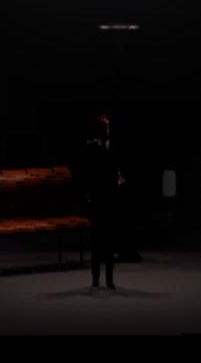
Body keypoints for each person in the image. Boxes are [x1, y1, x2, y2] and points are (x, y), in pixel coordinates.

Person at [84, 113, 124, 289]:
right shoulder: (90, 146)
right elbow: (86, 171)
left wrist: (120, 178)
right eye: (104, 126)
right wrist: (87, 192)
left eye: (108, 126)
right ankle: (95, 278)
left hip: (110, 197)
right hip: (96, 196)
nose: (107, 129)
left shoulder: (114, 145)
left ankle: (109, 278)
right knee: (95, 239)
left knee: (110, 239)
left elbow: (118, 166)